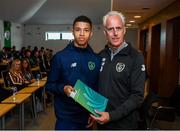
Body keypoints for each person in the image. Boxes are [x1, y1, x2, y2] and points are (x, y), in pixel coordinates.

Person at [90, 11, 146, 129]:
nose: (115, 33)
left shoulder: (135, 57)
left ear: (124, 30)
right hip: (102, 123)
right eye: (110, 29)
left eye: (118, 28)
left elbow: (137, 96)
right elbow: (96, 87)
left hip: (125, 124)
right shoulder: (100, 56)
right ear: (105, 33)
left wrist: (111, 116)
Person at [45, 15, 101, 130]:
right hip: (65, 120)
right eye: (78, 30)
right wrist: (63, 88)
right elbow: (50, 85)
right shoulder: (60, 57)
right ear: (72, 32)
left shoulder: (96, 59)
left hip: (87, 119)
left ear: (91, 33)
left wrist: (94, 113)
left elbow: (96, 88)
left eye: (86, 30)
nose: (81, 34)